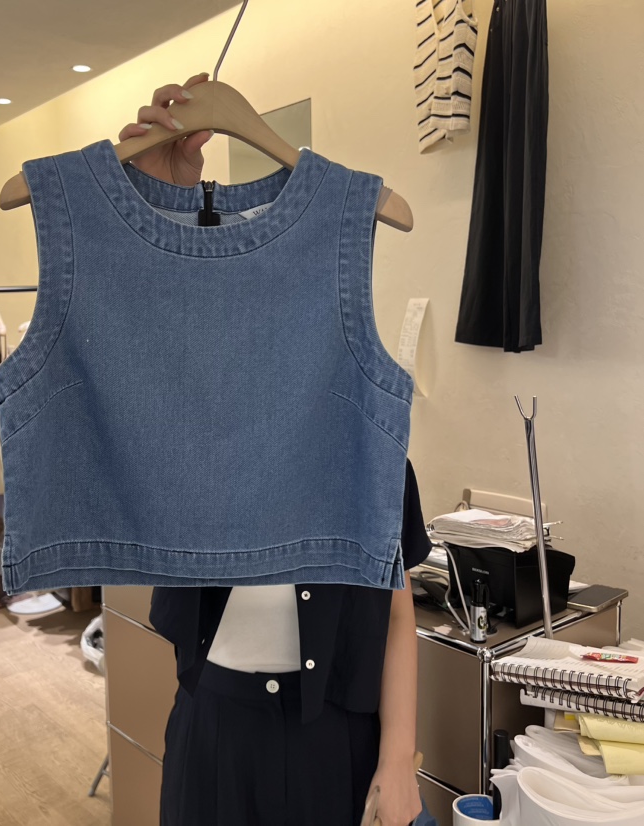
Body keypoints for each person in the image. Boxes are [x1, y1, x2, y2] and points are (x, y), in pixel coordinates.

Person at [123, 74, 434, 826]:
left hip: (336, 744)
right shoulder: (185, 430)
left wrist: (399, 762)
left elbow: (397, 615)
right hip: (213, 733)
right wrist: (155, 208)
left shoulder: (367, 443)